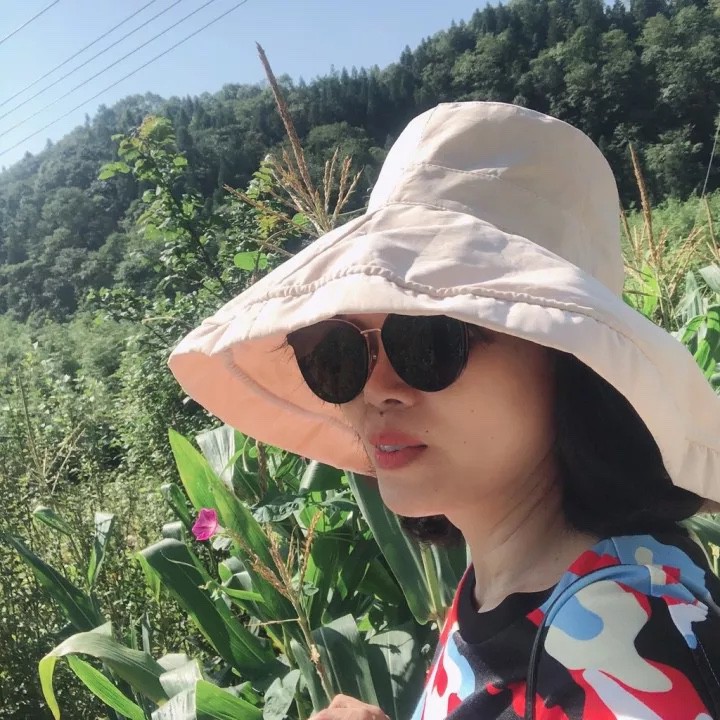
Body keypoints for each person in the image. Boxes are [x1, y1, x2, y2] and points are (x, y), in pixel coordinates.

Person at [168, 102, 720, 719]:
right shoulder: (515, 587)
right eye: (336, 354)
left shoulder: (617, 643)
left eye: (428, 341)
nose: (375, 389)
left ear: (567, 357)